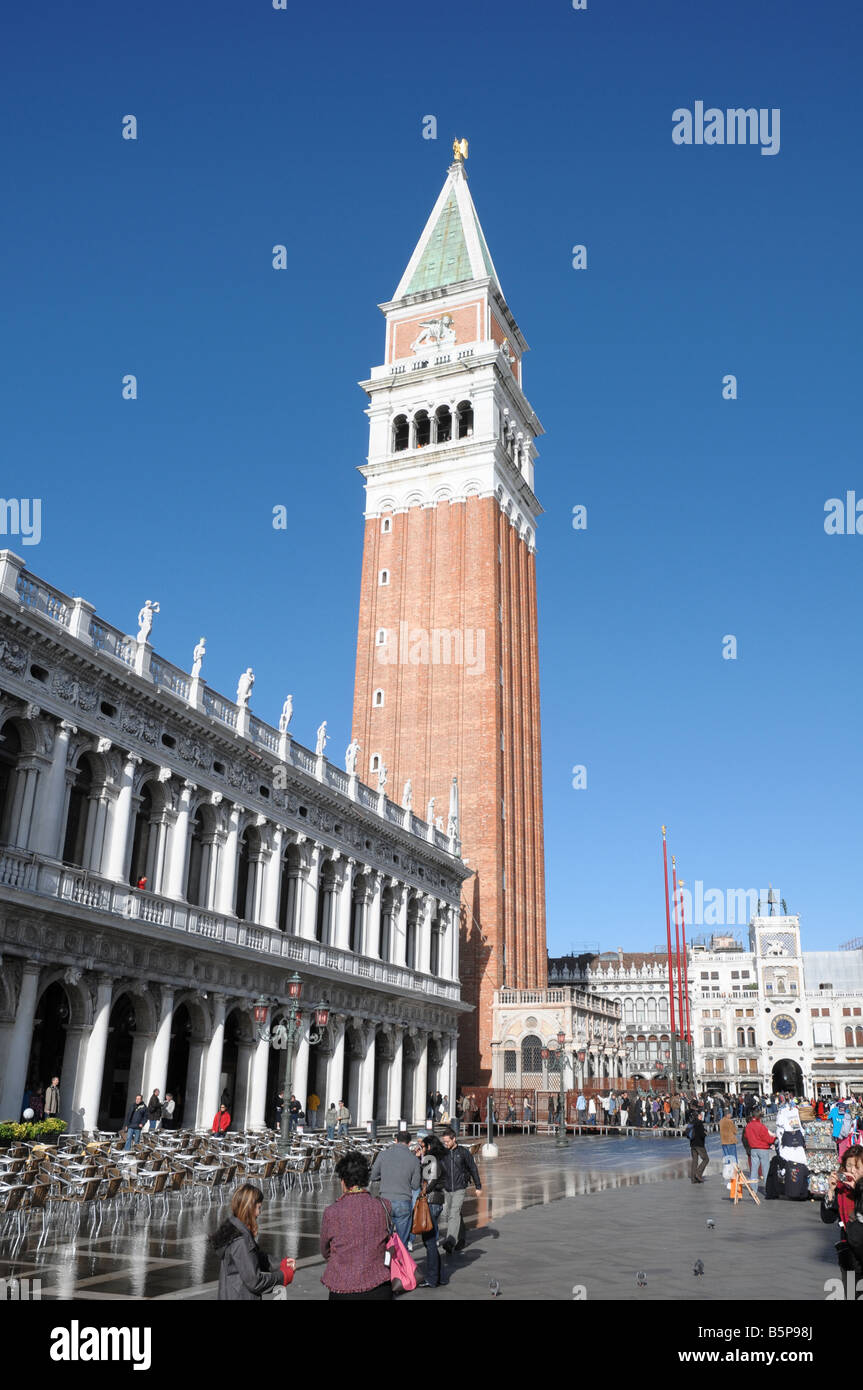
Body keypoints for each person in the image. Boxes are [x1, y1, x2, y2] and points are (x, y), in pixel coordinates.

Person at [320, 1151, 393, 1301]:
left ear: (343, 1181)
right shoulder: (383, 1206)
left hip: (343, 1287)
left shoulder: (332, 1212)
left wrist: (341, 1261)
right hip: (379, 1285)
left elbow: (325, 1249)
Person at [210, 1183, 295, 1301]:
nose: (259, 1213)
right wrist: (283, 1276)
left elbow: (254, 1258)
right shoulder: (240, 1241)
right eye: (258, 1208)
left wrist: (280, 1264)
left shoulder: (235, 1230)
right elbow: (255, 1281)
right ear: (249, 1208)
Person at [820, 1145, 863, 1292]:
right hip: (848, 1252)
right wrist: (831, 1191)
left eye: (857, 1166)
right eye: (848, 1165)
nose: (852, 1170)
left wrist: (858, 1190)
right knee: (850, 1293)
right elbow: (827, 1217)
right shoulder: (841, 1190)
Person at [369, 1130, 421, 1249]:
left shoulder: (383, 1154)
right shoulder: (414, 1160)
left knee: (383, 1238)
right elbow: (415, 1185)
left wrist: (386, 1175)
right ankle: (399, 1264)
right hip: (403, 1201)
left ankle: (385, 1264)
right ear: (409, 1143)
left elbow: (373, 1176)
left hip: (384, 1201)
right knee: (402, 1243)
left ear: (396, 1140)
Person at [439, 1126, 482, 1253]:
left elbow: (473, 1168)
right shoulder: (443, 1153)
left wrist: (478, 1186)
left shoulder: (463, 1152)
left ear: (454, 1139)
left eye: (447, 1141)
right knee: (453, 1214)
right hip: (447, 1188)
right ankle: (462, 1238)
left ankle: (450, 1241)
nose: (445, 1144)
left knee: (454, 1213)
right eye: (444, 1142)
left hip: (459, 1188)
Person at [416, 1133, 447, 1288]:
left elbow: (430, 1180)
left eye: (423, 1146)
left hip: (430, 1201)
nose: (422, 1149)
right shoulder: (439, 1158)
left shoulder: (430, 1158)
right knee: (432, 1239)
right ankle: (438, 1276)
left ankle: (433, 1277)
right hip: (438, 1200)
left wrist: (423, 1192)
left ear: (428, 1146)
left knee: (429, 1241)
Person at [743, 1110, 775, 1186]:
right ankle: (767, 1188)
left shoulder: (748, 1126)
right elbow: (767, 1138)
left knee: (754, 1170)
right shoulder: (761, 1126)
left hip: (753, 1149)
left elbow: (746, 1136)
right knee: (765, 1169)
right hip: (762, 1149)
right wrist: (774, 1139)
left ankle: (753, 1189)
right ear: (759, 1117)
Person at [689, 1110, 709, 1184]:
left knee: (695, 1161)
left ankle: (693, 1178)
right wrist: (705, 1133)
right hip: (699, 1144)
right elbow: (702, 1134)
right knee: (706, 1159)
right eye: (700, 1115)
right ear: (697, 1116)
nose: (701, 1116)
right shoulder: (699, 1123)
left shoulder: (691, 1122)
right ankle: (698, 1173)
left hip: (692, 1144)